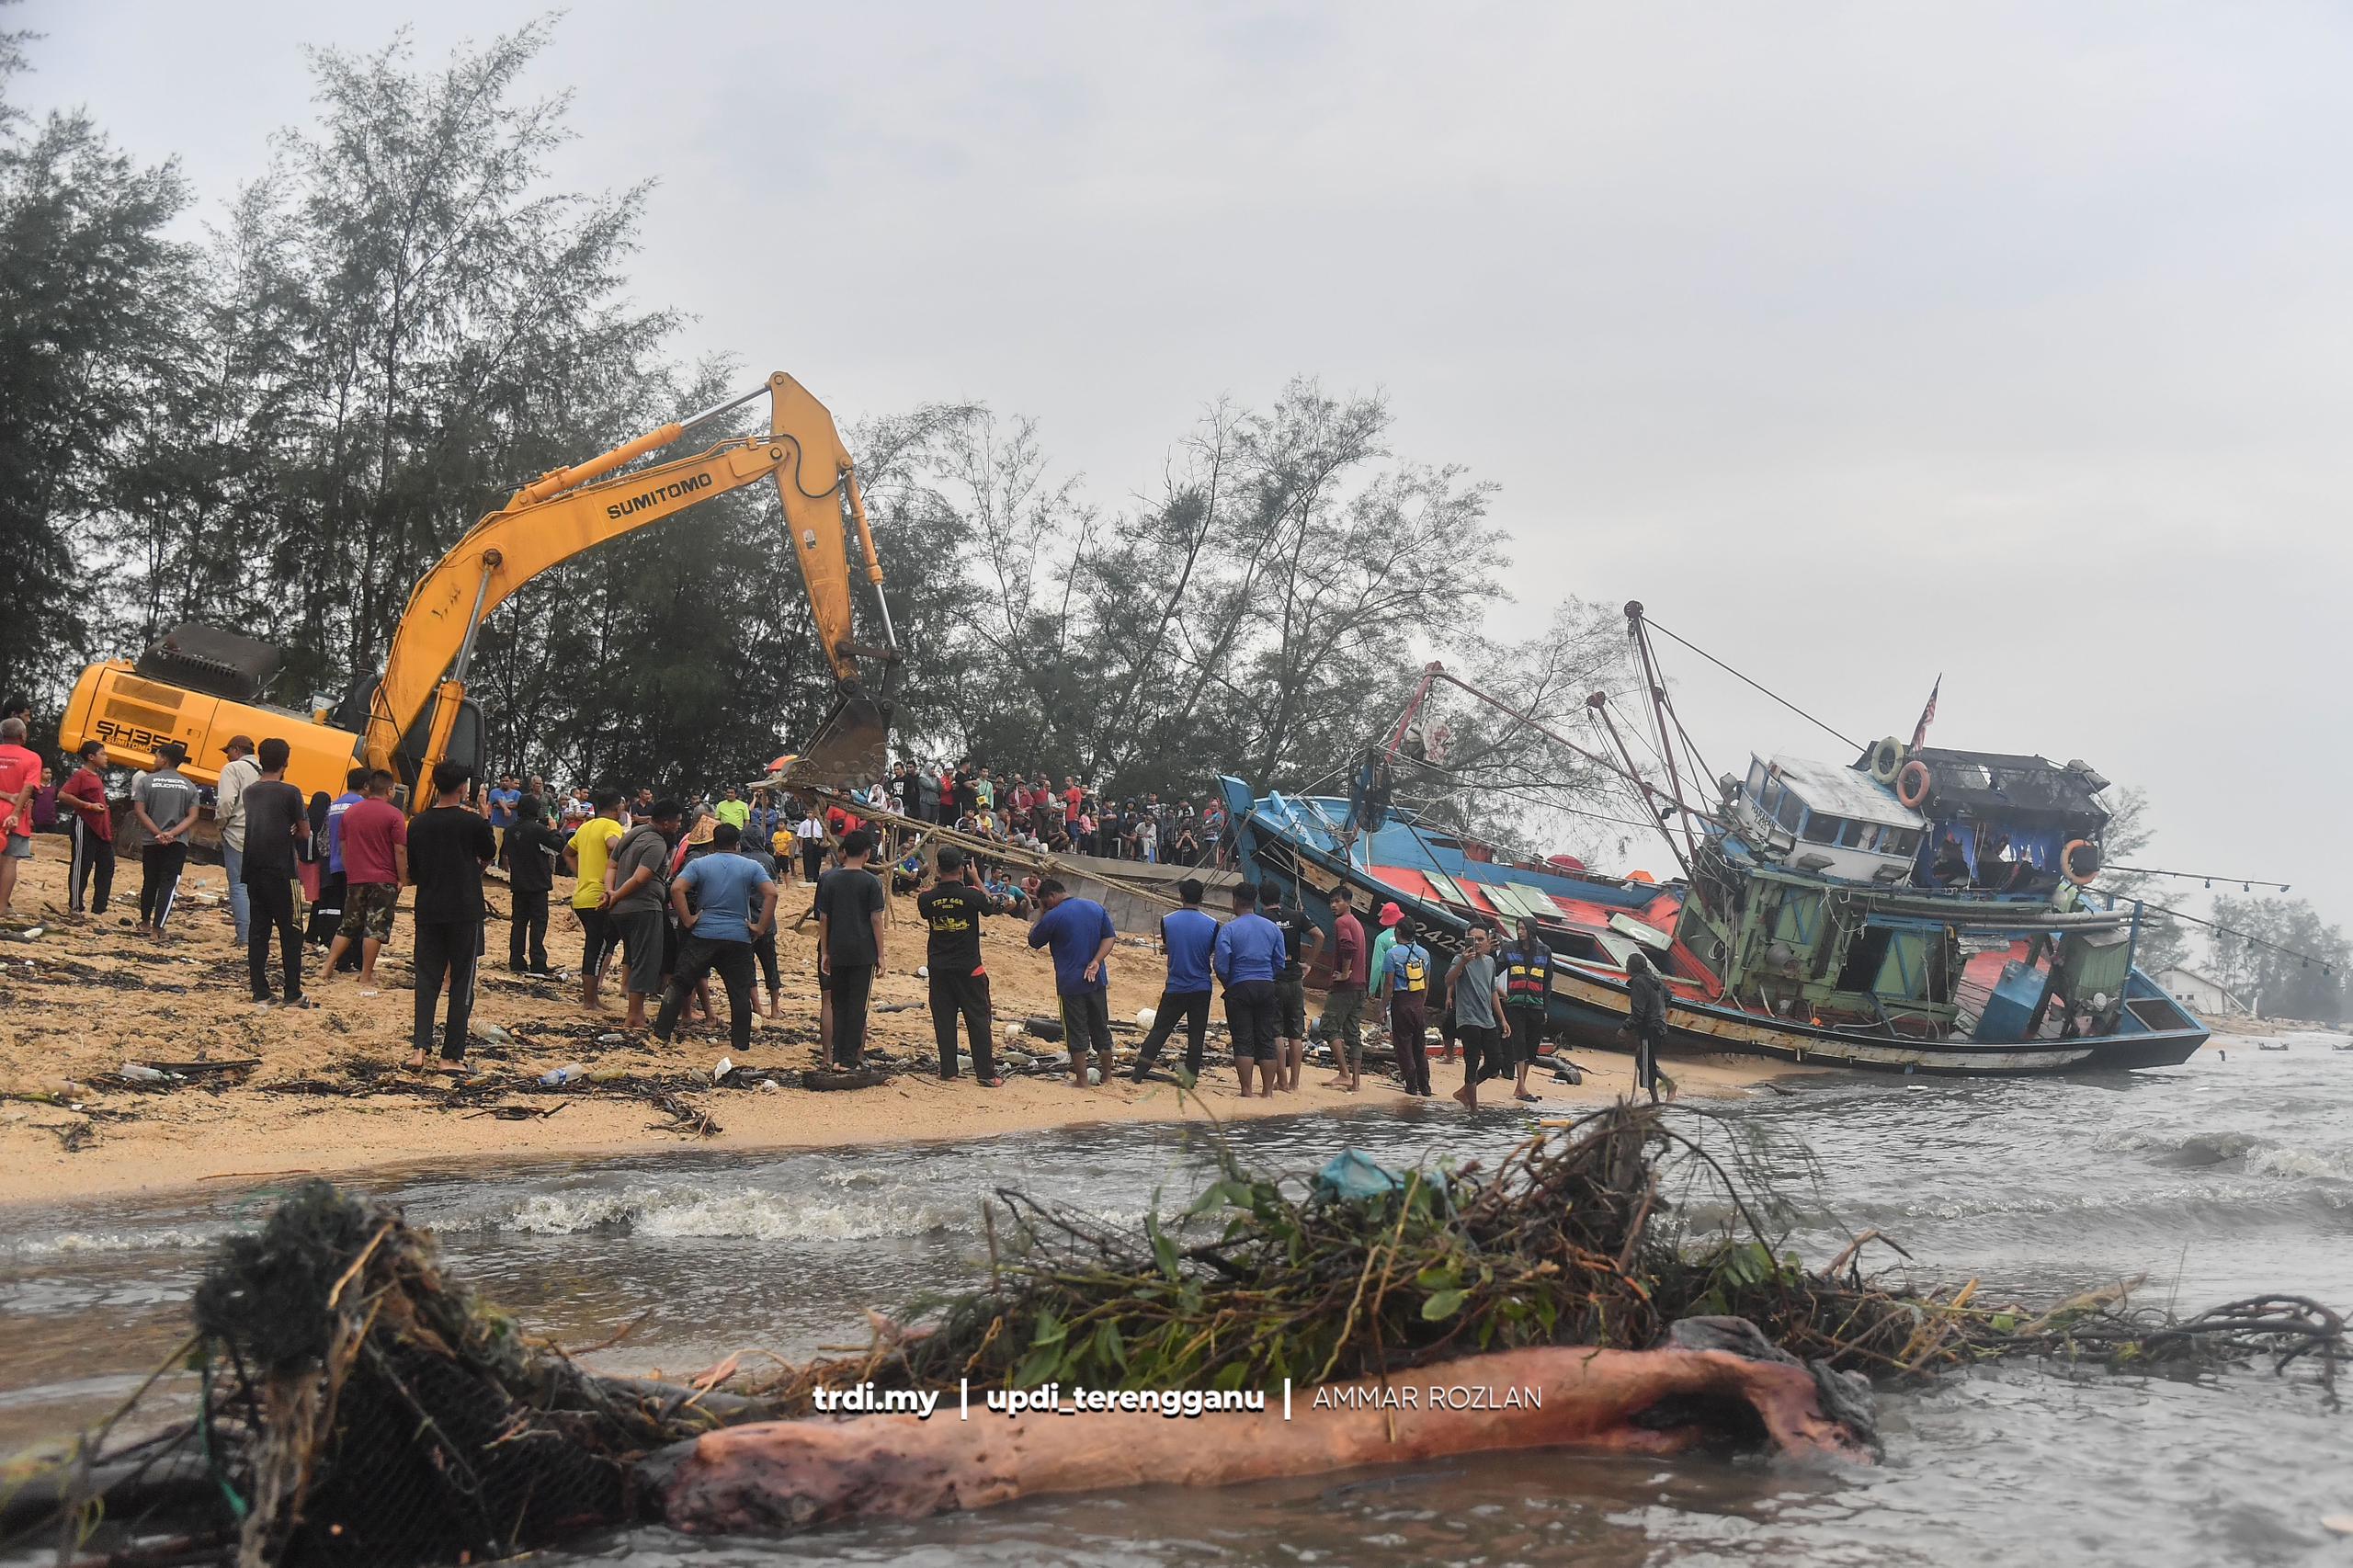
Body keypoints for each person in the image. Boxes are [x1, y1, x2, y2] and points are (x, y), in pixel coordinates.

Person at [404, 761, 497, 1070]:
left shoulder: (417, 824)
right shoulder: (470, 823)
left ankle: (419, 1049)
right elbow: (489, 852)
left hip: (429, 906)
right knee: (461, 982)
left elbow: (413, 871)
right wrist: (484, 813)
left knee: (426, 979)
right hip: (464, 908)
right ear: (463, 788)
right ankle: (451, 1055)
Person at [654, 822, 777, 1056]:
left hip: (703, 934)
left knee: (679, 983)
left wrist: (688, 919)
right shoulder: (751, 866)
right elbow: (771, 893)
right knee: (739, 992)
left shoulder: (701, 864)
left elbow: (677, 888)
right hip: (738, 936)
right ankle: (740, 1044)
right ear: (738, 844)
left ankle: (662, 1033)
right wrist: (759, 927)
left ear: (712, 843)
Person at [917, 846, 1007, 1085]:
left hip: (939, 967)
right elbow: (993, 905)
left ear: (938, 868)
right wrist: (977, 879)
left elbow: (927, 904)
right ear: (961, 869)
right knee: (978, 1019)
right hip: (969, 968)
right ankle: (986, 1074)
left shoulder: (927, 898)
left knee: (944, 1019)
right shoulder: (971, 895)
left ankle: (948, 1070)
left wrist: (940, 883)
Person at [240, 738, 313, 1009]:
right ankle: (292, 992)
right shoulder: (290, 792)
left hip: (254, 867)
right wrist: (293, 830)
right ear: (286, 762)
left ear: (260, 759)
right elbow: (304, 832)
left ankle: (260, 991)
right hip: (283, 869)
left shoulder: (250, 791)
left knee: (259, 930)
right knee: (291, 931)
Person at [321, 770, 407, 993]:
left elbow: (343, 845)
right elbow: (399, 849)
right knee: (375, 927)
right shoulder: (394, 815)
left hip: (357, 876)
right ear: (389, 790)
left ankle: (328, 966)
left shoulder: (352, 813)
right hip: (383, 877)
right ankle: (366, 974)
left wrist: (352, 871)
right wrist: (402, 878)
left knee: (348, 924)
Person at [1028, 878, 1116, 1087]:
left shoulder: (1054, 916)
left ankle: (1082, 1080)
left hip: (1070, 983)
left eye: (1045, 902)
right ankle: (1108, 1077)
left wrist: (1041, 911)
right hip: (1096, 979)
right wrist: (1096, 961)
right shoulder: (1095, 907)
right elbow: (1110, 937)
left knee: (1076, 1031)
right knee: (1101, 1028)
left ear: (1050, 897)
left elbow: (1033, 940)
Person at [1131, 877, 1219, 1082]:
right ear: (1202, 898)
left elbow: (1169, 945)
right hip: (1201, 986)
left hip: (1176, 985)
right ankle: (1189, 1080)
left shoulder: (1168, 920)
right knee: (1196, 1036)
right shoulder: (1212, 924)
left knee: (1160, 1030)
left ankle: (1138, 1074)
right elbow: (1210, 950)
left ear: (1181, 896)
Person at [608, 798, 684, 1031]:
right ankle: (634, 1016)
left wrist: (610, 892)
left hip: (620, 909)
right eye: (677, 822)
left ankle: (636, 1012)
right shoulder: (656, 843)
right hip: (643, 906)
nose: (679, 826)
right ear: (665, 822)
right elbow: (641, 878)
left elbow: (611, 864)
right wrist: (617, 895)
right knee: (645, 961)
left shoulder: (634, 832)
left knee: (633, 956)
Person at [813, 828, 886, 1069]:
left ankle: (835, 1058)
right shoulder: (872, 882)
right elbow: (876, 920)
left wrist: (825, 950)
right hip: (863, 951)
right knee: (857, 1006)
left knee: (838, 1004)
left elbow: (823, 918)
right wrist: (880, 954)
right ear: (867, 854)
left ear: (844, 852)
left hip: (837, 948)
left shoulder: (830, 879)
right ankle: (848, 1058)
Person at [1213, 882, 1286, 1098]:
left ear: (1235, 901)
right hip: (1266, 985)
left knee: (1243, 1039)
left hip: (1239, 986)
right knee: (1266, 1038)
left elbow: (1221, 963)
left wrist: (1230, 982)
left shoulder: (1229, 929)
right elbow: (1279, 961)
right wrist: (1268, 977)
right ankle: (1268, 1091)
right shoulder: (1272, 928)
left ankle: (1246, 1090)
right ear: (1255, 902)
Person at [564, 789, 627, 1009]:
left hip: (582, 896)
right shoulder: (612, 826)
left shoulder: (585, 827)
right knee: (598, 948)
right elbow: (613, 845)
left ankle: (592, 999)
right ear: (618, 807)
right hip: (599, 896)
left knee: (595, 946)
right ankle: (590, 1001)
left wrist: (580, 873)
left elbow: (567, 852)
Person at [129, 741, 199, 936]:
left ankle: (144, 922)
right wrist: (172, 834)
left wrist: (157, 833)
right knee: (168, 883)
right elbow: (193, 816)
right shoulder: (190, 786)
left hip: (152, 841)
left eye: (157, 756)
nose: (155, 759)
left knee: (150, 880)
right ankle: (158, 927)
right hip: (177, 842)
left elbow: (139, 811)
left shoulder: (146, 781)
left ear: (165, 759)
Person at [307, 767, 369, 960]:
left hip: (333, 864)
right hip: (355, 867)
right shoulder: (362, 806)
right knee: (355, 913)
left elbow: (322, 839)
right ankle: (350, 956)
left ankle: (332, 948)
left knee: (335, 908)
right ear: (366, 785)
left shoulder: (333, 806)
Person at [1314, 886, 1370, 1091]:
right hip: (1360, 986)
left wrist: (1345, 972)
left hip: (1345, 986)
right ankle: (1355, 1082)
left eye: (1338, 901)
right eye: (1331, 902)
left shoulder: (1342, 922)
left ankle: (1344, 1073)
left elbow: (1348, 947)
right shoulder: (1357, 924)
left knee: (1328, 1027)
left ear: (1348, 902)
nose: (1333, 905)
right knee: (1352, 1032)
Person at [1447, 926, 1509, 1109]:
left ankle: (1463, 1093)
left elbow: (1492, 992)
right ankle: (1473, 1108)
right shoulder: (1460, 959)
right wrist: (1463, 963)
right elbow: (1448, 980)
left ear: (1488, 941)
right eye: (1474, 939)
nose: (1478, 943)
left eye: (1482, 939)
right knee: (1472, 1061)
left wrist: (1503, 1019)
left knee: (1495, 1061)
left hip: (1487, 1018)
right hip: (1467, 1018)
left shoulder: (1490, 962)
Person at [502, 794, 564, 974]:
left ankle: (516, 959)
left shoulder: (510, 831)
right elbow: (558, 846)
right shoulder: (538, 830)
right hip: (538, 884)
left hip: (518, 883)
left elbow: (505, 853)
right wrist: (554, 829)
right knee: (538, 924)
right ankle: (537, 961)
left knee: (518, 923)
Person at [1373, 918, 1436, 1096]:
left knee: (1403, 1045)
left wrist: (1382, 1008)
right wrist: (1421, 1003)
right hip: (1417, 1003)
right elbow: (1426, 981)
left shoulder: (1392, 955)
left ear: (1398, 932)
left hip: (1401, 1003)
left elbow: (1389, 984)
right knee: (1419, 1046)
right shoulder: (1424, 954)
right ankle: (1426, 1086)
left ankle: (1411, 1085)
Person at [1265, 885, 1314, 1091]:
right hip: (1295, 978)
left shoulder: (1263, 920)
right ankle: (1294, 1082)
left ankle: (1282, 1080)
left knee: (1276, 1031)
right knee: (1295, 1033)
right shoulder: (1297, 916)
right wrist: (1309, 962)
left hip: (1275, 978)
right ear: (1281, 896)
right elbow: (1319, 935)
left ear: (1261, 899)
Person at [213, 735, 260, 946]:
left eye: (228, 752)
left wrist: (220, 824)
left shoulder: (233, 769)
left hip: (238, 833)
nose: (227, 757)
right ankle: (257, 935)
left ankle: (244, 936)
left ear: (236, 750)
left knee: (239, 885)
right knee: (256, 887)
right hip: (262, 835)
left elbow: (225, 801)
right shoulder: (264, 771)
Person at [59, 740, 114, 919]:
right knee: (82, 865)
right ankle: (75, 906)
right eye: (102, 754)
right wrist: (87, 806)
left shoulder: (95, 776)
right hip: (85, 824)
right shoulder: (81, 775)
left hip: (101, 828)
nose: (106, 757)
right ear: (91, 757)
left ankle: (99, 908)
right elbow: (63, 794)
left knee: (107, 865)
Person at [1499, 918, 1552, 1104]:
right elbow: (1494, 970)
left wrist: (1546, 1008)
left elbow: (1547, 983)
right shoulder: (1509, 949)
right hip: (1515, 1005)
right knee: (1519, 1043)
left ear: (1531, 930)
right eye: (1518, 928)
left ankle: (1520, 1086)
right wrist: (1500, 992)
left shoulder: (1545, 951)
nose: (1520, 932)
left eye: (1523, 928)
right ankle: (1522, 1087)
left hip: (1536, 1005)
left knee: (1531, 1046)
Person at [0, 717, 44, 918]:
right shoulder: (32, 758)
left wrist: (5, 794)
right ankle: (2, 907)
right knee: (10, 860)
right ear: (22, 736)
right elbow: (28, 788)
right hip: (14, 815)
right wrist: (16, 813)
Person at [1624, 949, 1672, 1105]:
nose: (1626, 967)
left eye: (1627, 964)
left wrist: (1625, 1028)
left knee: (1644, 1063)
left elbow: (1638, 1012)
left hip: (1649, 1029)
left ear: (1632, 967)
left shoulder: (1638, 982)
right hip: (1659, 1026)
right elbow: (1668, 996)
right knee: (1645, 1060)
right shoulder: (1653, 979)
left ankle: (1658, 1098)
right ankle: (1663, 1090)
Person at [485, 776, 521, 856]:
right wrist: (506, 809)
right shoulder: (494, 792)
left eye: (507, 781)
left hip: (512, 826)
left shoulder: (517, 794)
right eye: (502, 781)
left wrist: (502, 806)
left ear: (511, 782)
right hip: (497, 825)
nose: (504, 783)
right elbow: (498, 800)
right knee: (495, 849)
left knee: (509, 851)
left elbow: (517, 804)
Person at [794, 802, 828, 886]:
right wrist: (801, 847)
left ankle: (816, 876)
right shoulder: (804, 823)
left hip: (818, 840)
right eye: (808, 813)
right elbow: (800, 836)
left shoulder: (819, 822)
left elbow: (824, 832)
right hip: (808, 841)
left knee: (817, 859)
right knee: (808, 859)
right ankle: (809, 876)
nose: (809, 814)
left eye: (811, 812)